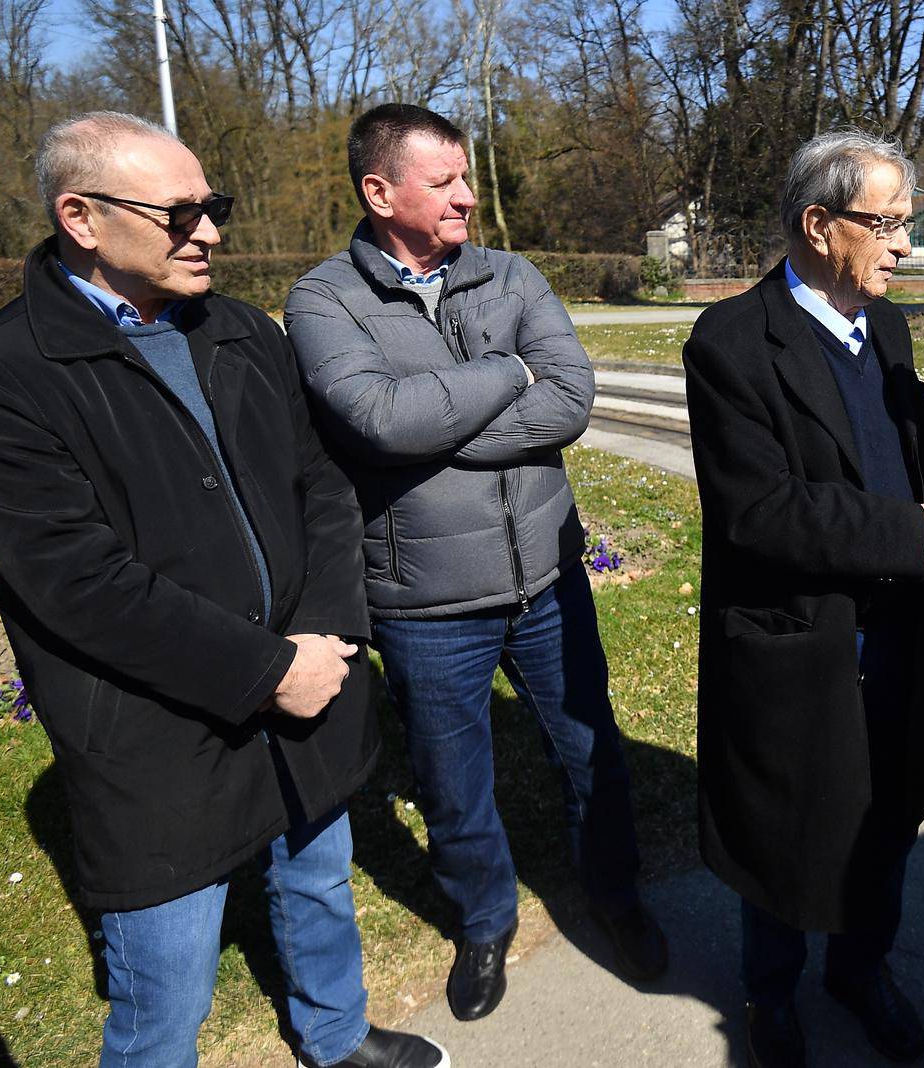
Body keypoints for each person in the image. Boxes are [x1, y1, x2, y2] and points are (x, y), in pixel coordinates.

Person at [0, 111, 445, 1068]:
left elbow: (321, 486)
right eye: (179, 214)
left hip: (309, 677)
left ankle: (334, 1038)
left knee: (319, 882)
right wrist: (264, 672)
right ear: (79, 217)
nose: (209, 232)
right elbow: (79, 583)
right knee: (167, 984)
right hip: (152, 731)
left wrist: (326, 637)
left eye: (213, 207)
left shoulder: (242, 330)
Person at [284, 103, 666, 1023]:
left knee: (591, 754)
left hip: (546, 579)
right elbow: (375, 421)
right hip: (424, 599)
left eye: (467, 177)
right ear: (380, 192)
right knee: (453, 783)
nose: (468, 197)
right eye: (445, 180)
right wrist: (504, 376)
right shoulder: (324, 298)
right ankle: (485, 922)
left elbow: (570, 399)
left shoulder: (510, 273)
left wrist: (431, 430)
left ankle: (615, 895)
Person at [683, 129, 924, 1068]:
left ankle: (860, 971)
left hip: (893, 629)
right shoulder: (730, 341)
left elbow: (898, 464)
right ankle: (772, 998)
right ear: (817, 223)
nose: (904, 247)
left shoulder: (886, 327)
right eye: (885, 225)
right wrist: (912, 535)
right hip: (799, 638)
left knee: (887, 816)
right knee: (786, 830)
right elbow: (758, 512)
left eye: (905, 226)